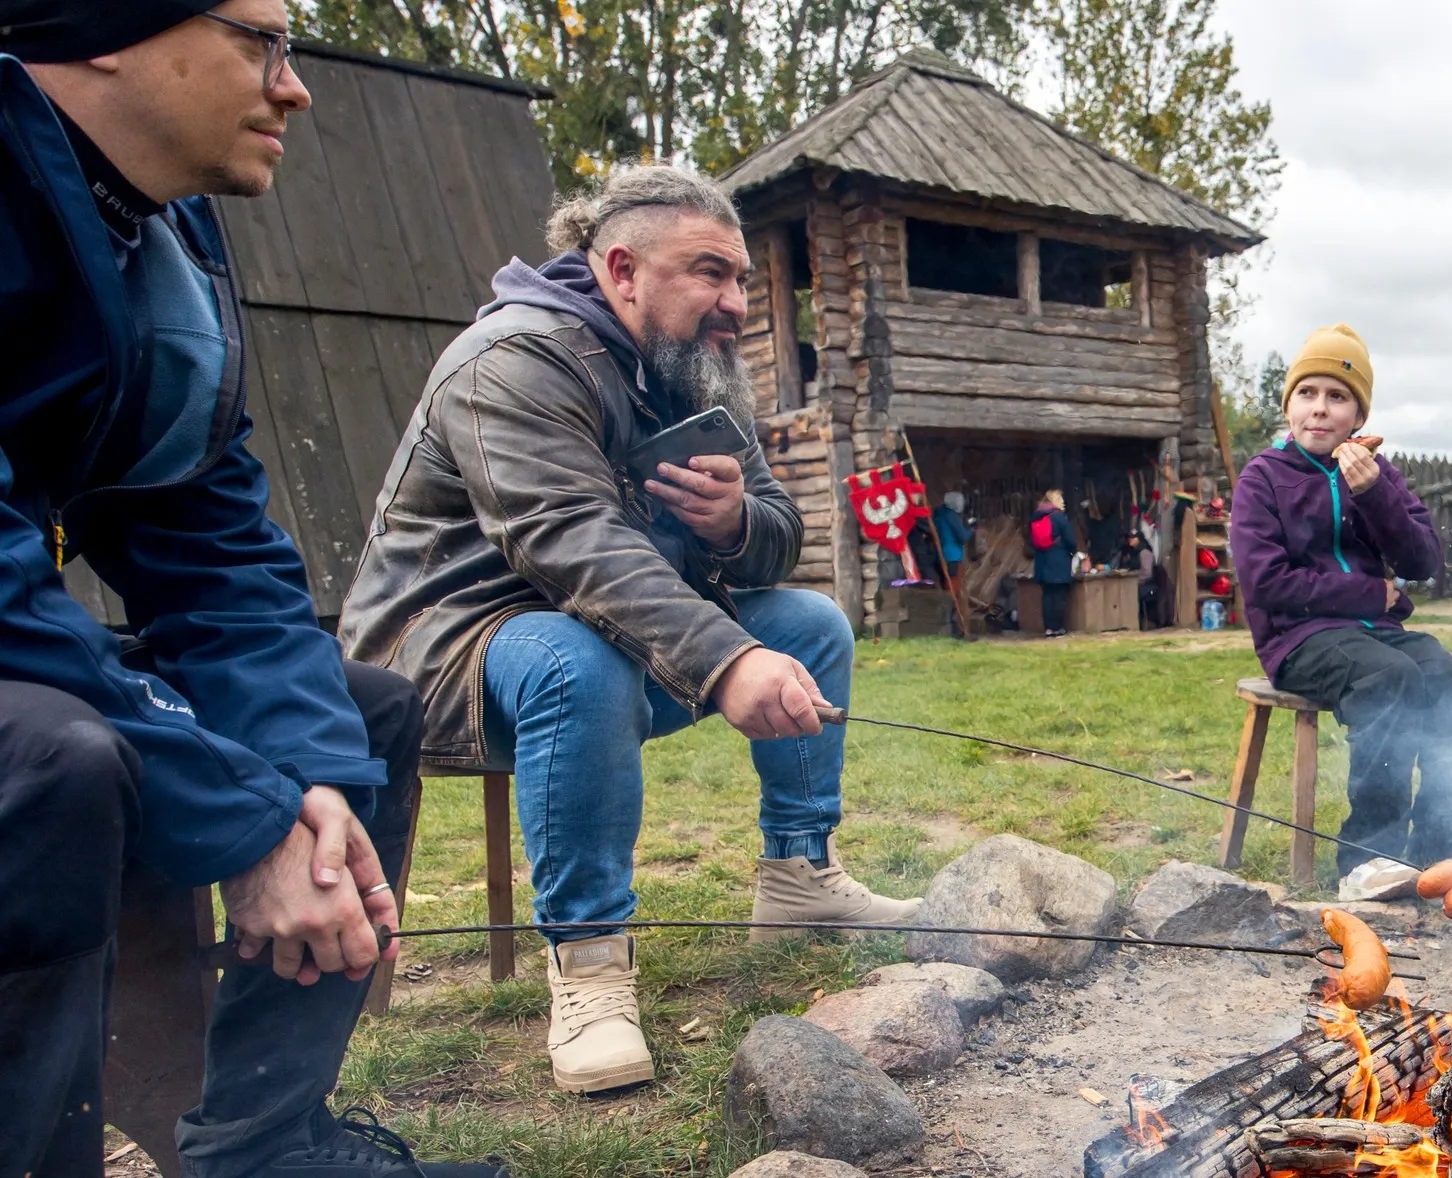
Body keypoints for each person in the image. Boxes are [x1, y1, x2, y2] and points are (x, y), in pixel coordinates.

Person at [0, 5, 507, 1175]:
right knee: (52, 757)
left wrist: (305, 795)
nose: (296, 88)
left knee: (359, 714)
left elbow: (213, 552)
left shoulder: (154, 241)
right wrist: (238, 814)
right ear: (110, 32)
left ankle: (261, 1146)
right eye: (260, 42)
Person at [338, 164, 919, 1095]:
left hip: (605, 631)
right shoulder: (514, 361)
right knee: (580, 660)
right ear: (621, 268)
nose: (736, 301)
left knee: (809, 624)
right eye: (710, 274)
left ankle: (801, 877)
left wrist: (734, 524)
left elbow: (780, 536)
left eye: (738, 278)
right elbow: (572, 546)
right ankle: (592, 964)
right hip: (448, 643)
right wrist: (728, 662)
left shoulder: (693, 373)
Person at [1230, 325, 1452, 901]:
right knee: (1389, 679)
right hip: (1298, 639)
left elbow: (1422, 560)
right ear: (1290, 404)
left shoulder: (1377, 473)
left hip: (1375, 634)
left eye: (1337, 397)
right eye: (1307, 393)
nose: (1320, 410)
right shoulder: (1264, 478)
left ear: (1358, 415)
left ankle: (1438, 845)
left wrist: (1376, 496)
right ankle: (1366, 858)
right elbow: (1267, 583)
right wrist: (1372, 594)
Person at [1029, 488, 1079, 637]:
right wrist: (1073, 552)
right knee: (1059, 596)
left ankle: (1049, 628)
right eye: (1061, 499)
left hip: (1042, 562)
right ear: (1055, 500)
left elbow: (1032, 541)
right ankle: (1057, 628)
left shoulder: (1036, 517)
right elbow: (1070, 540)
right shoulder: (1059, 518)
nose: (1063, 502)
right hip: (1058, 562)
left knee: (1047, 595)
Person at [930, 490, 973, 634]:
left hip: (940, 556)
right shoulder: (951, 516)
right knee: (953, 592)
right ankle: (954, 627)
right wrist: (971, 529)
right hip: (952, 556)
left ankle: (947, 624)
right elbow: (962, 536)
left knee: (946, 589)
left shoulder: (938, 515)